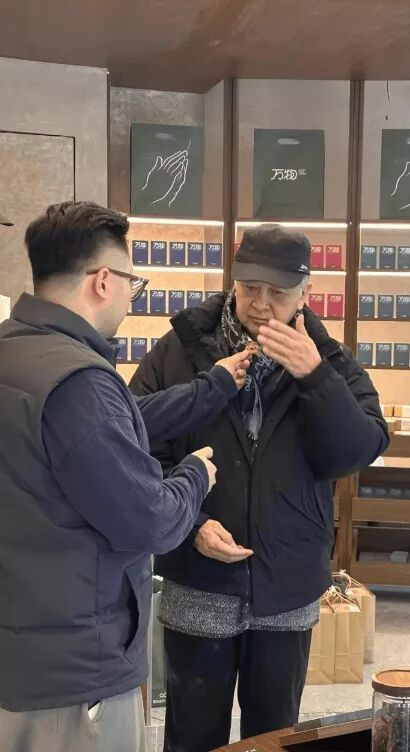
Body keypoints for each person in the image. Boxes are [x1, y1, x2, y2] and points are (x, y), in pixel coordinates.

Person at [0, 201, 253, 752]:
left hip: (22, 650)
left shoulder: (16, 353)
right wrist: (194, 474)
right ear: (103, 281)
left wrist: (212, 387)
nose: (130, 296)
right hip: (75, 675)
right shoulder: (80, 381)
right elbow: (152, 523)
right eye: (132, 284)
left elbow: (113, 430)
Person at [130, 224, 389, 752]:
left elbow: (357, 450)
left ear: (306, 292)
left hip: (286, 584)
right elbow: (139, 445)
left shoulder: (329, 359)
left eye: (278, 292)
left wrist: (315, 377)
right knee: (192, 733)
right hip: (197, 580)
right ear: (233, 281)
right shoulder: (180, 348)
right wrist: (192, 524)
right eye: (250, 288)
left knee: (274, 735)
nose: (261, 304)